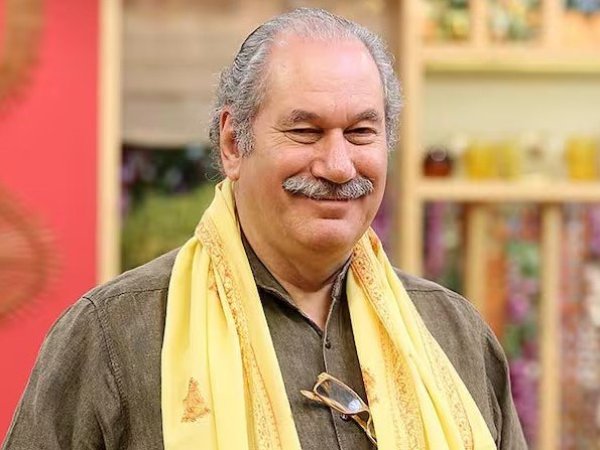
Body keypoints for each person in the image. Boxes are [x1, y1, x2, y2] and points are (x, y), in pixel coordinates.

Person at [3, 8, 527, 450]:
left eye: (361, 132)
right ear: (233, 143)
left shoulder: (453, 333)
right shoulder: (115, 335)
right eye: (305, 131)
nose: (338, 165)